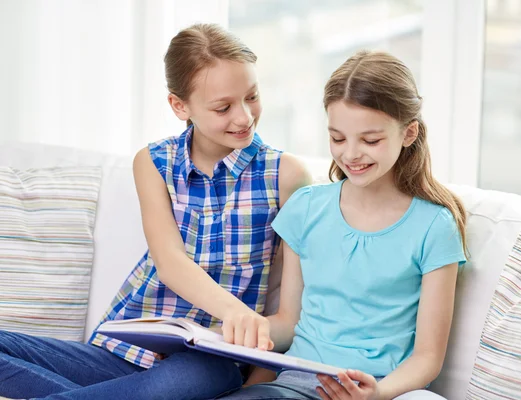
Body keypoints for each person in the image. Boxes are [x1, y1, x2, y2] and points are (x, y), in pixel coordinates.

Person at [0, 23, 310, 400]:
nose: (244, 117)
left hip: (207, 364)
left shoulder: (286, 176)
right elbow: (169, 261)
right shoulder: (153, 162)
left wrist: (253, 366)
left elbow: (288, 322)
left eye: (252, 96)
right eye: (223, 107)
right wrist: (234, 311)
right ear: (180, 106)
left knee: (194, 376)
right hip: (124, 355)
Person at [219, 50, 468, 400]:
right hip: (297, 383)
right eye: (338, 138)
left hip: (379, 388)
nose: (350, 154)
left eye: (370, 140)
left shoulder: (434, 226)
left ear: (409, 133)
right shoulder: (306, 208)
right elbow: (290, 322)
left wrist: (378, 392)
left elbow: (427, 358)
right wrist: (239, 332)